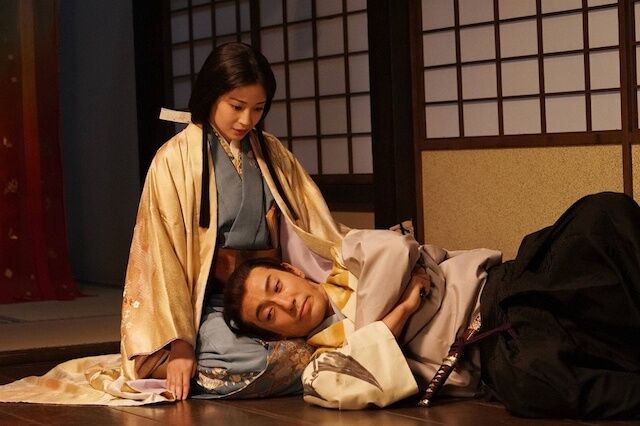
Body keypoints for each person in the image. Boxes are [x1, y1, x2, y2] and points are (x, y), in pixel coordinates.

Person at [0, 42, 342, 406]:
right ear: (212, 95)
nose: (246, 120)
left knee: (339, 315)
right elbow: (163, 258)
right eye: (236, 106)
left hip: (269, 300)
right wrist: (180, 342)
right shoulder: (174, 160)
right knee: (237, 360)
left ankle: (311, 348)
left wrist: (341, 278)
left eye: (257, 109)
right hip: (205, 303)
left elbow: (313, 227)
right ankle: (321, 357)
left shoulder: (272, 153)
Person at [223, 192, 640, 419]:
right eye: (269, 314)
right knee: (539, 379)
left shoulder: (348, 255)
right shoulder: (322, 369)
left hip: (502, 286)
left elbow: (397, 251)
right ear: (273, 335)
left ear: (290, 269)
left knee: (600, 217)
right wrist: (403, 308)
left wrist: (375, 340)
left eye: (276, 286)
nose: (286, 303)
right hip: (494, 353)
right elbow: (366, 386)